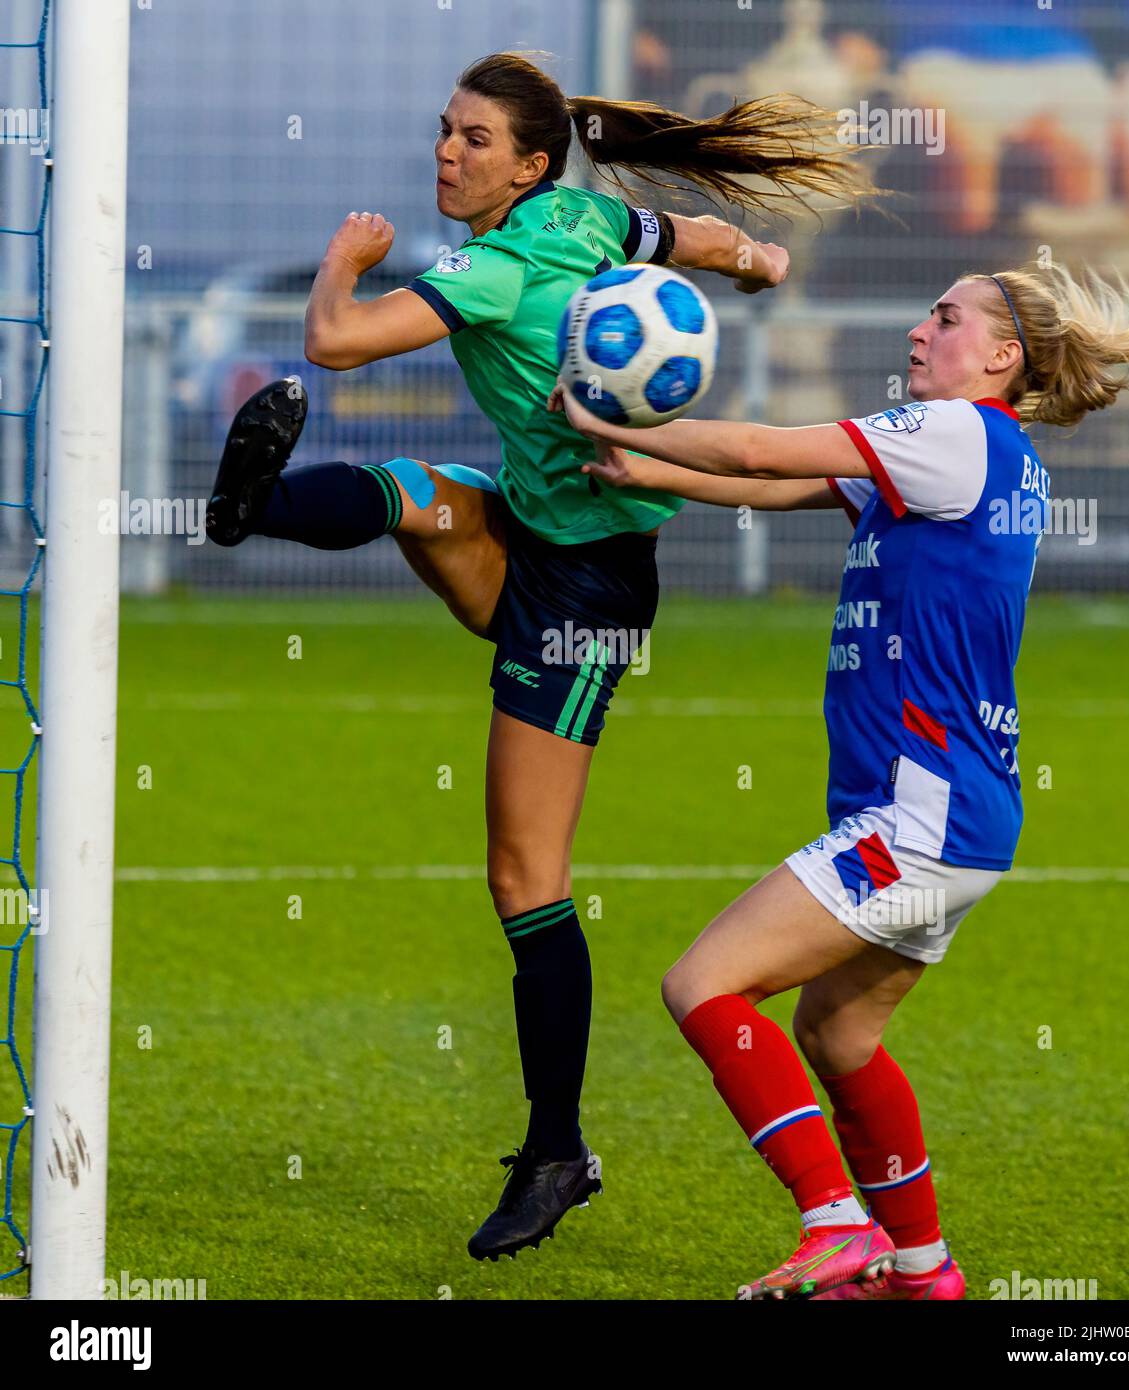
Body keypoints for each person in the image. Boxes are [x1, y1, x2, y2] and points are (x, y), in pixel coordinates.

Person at [203, 50, 869, 1261]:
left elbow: (340, 343)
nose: (446, 153)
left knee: (525, 875)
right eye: (443, 131)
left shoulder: (502, 263)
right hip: (528, 527)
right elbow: (697, 240)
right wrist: (761, 264)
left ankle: (558, 1149)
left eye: (471, 139)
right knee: (418, 491)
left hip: (584, 594)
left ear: (527, 162)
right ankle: (250, 510)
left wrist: (346, 261)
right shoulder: (581, 215)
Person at [551, 261, 1129, 1298]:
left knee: (702, 984)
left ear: (1002, 357)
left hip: (918, 816)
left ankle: (836, 1222)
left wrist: (602, 410)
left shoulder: (954, 435)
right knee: (837, 1032)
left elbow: (753, 443)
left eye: (947, 315)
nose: (922, 329)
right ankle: (922, 1271)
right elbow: (776, 482)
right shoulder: (973, 455)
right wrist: (650, 472)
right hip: (963, 819)